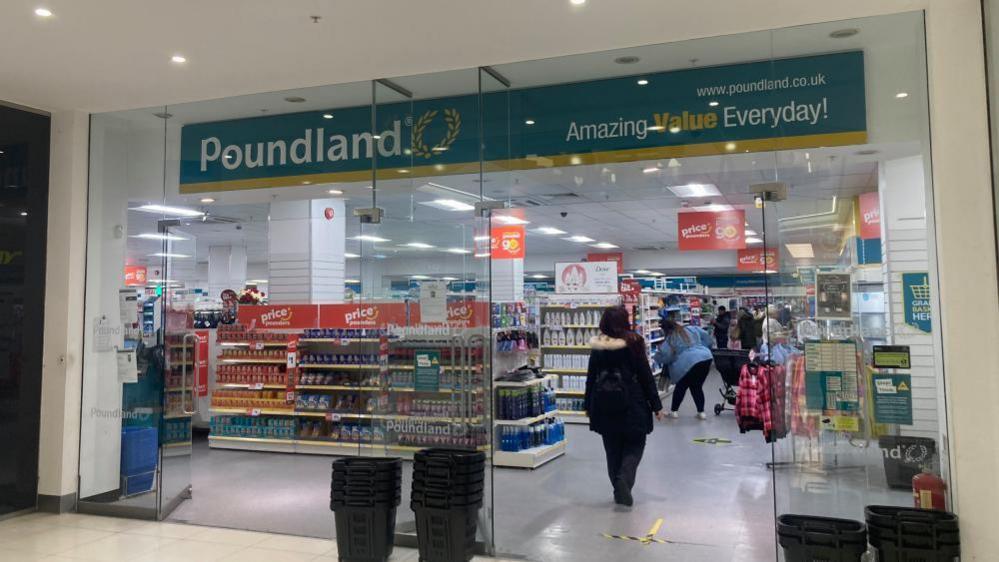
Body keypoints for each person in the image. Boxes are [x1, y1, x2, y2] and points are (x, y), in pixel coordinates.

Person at [584, 306, 664, 506]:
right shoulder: (634, 343)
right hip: (632, 401)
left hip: (603, 402)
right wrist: (656, 404)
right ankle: (624, 480)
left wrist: (587, 404)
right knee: (636, 443)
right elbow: (646, 375)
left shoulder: (599, 345)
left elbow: (591, 377)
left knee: (612, 448)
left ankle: (618, 489)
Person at [654, 314, 714, 419]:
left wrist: (656, 358)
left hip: (688, 362)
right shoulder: (691, 328)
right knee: (697, 386)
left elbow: (666, 356)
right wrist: (702, 347)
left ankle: (674, 411)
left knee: (681, 386)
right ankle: (701, 412)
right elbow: (706, 336)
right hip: (705, 357)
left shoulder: (670, 338)